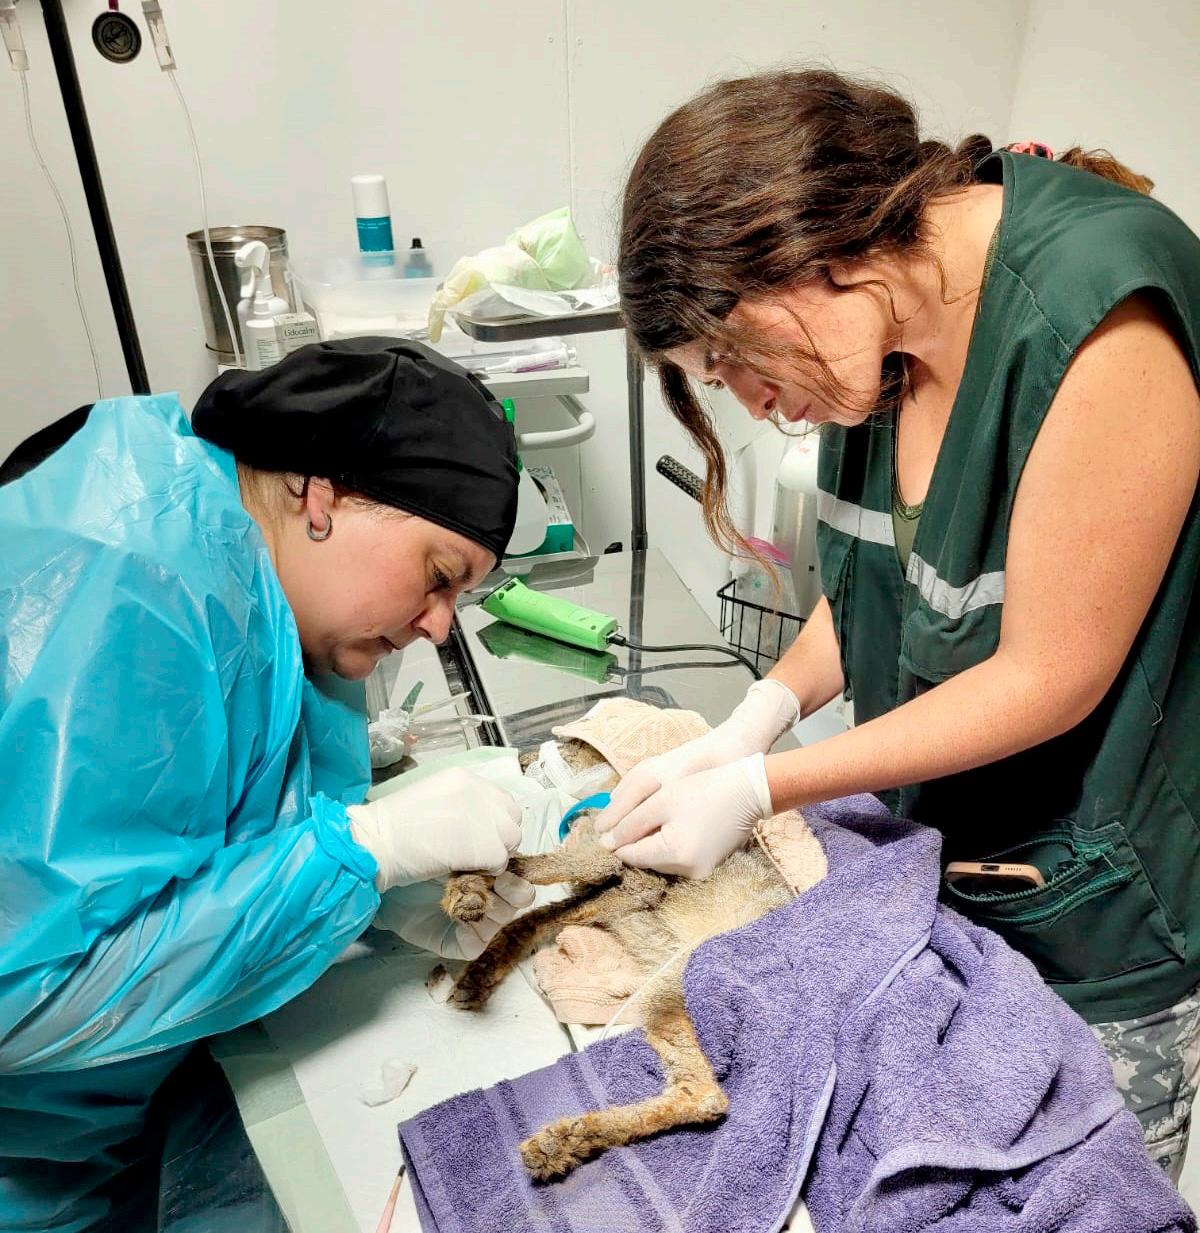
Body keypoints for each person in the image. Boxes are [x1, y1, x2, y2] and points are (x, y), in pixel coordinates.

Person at [599, 69, 1200, 1179]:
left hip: (1093, 912)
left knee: (1074, 1190)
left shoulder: (1096, 318)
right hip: (947, 865)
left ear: (803, 248)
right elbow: (885, 576)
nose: (751, 401)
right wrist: (754, 719)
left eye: (730, 359)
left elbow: (1050, 673)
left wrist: (764, 786)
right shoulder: (874, 336)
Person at [0, 338, 535, 1230]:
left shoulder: (266, 589)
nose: (441, 627)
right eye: (439, 576)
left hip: (116, 1122)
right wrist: (360, 854)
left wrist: (365, 886)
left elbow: (207, 818)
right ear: (324, 491)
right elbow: (24, 994)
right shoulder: (137, 583)